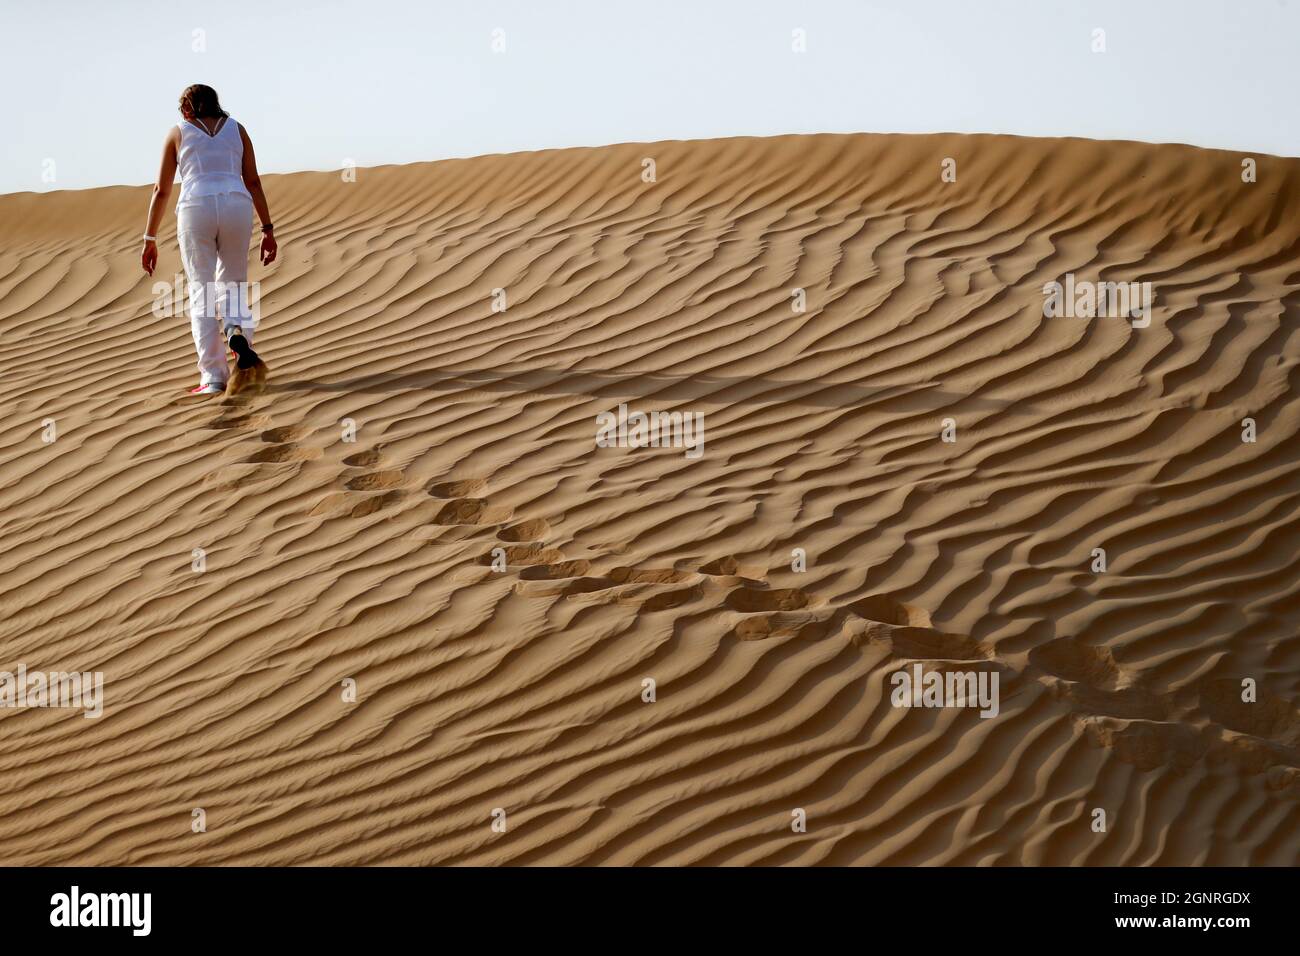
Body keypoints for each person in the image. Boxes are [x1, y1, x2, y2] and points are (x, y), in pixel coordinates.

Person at [140, 84, 277, 395]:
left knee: (202, 288)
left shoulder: (177, 132)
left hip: (195, 206)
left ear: (187, 109)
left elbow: (160, 190)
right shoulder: (237, 129)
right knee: (234, 283)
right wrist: (268, 229)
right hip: (236, 204)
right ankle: (236, 335)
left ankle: (213, 377)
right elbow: (253, 180)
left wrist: (149, 237)